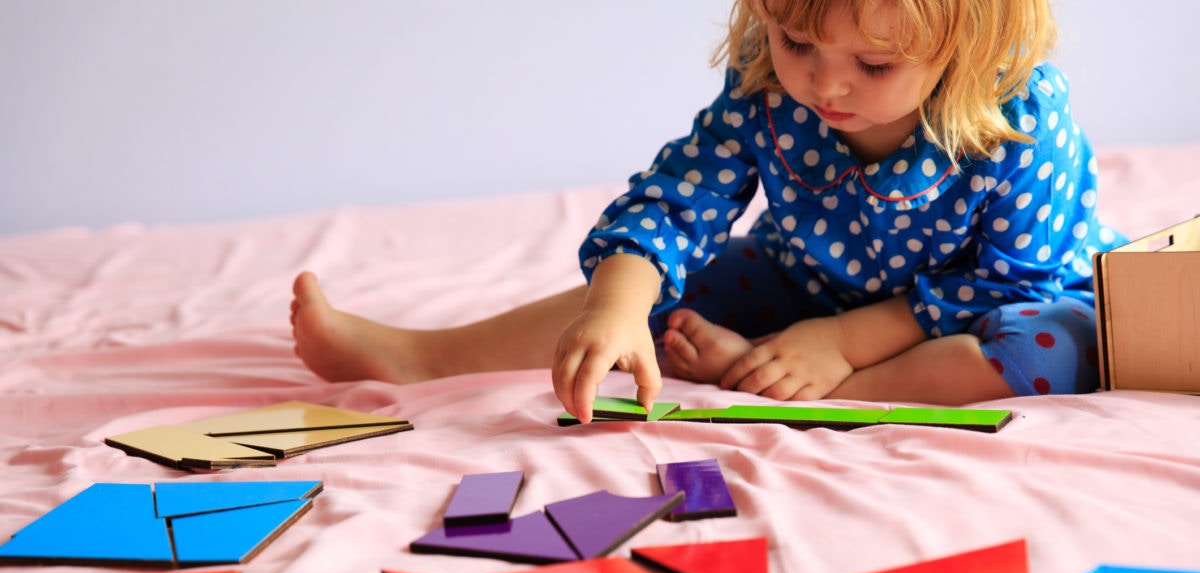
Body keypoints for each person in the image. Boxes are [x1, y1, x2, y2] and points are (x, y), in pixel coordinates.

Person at [290, 0, 1124, 423]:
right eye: (800, 45)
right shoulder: (771, 80)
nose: (826, 86)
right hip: (807, 278)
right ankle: (420, 358)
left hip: (970, 308)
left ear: (968, 44)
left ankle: (808, 389)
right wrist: (618, 306)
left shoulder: (1020, 115)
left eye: (872, 64)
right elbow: (678, 201)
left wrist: (841, 347)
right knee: (649, 303)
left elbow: (1009, 280)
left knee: (1047, 352)